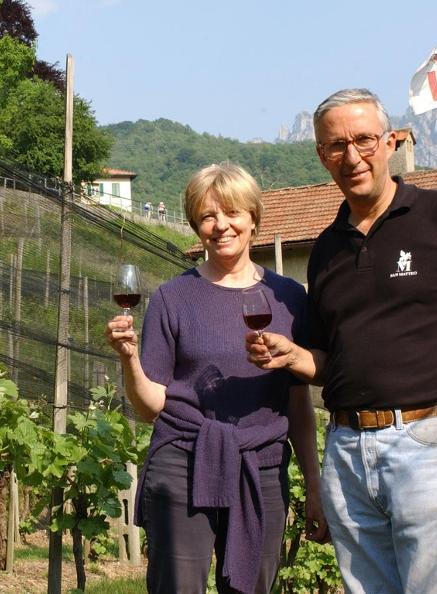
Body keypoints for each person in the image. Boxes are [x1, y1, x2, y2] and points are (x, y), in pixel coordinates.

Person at [246, 88, 437, 594]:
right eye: (336, 145)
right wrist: (293, 355)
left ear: (390, 142)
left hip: (432, 444)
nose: (352, 156)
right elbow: (332, 363)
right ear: (322, 155)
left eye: (363, 139)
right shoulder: (326, 250)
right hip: (348, 452)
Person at [106, 162, 328, 594]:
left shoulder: (288, 297)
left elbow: (298, 403)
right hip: (184, 459)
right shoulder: (173, 298)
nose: (221, 225)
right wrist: (129, 359)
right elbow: (150, 407)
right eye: (208, 216)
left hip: (261, 466)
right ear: (195, 226)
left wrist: (314, 486)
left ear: (253, 219)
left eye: (232, 213)